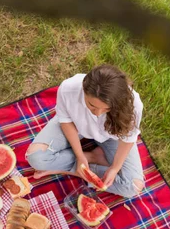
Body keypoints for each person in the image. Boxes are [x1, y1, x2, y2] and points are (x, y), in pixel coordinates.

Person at [26, 64, 145, 198]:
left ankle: (78, 166)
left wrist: (114, 168)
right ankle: (90, 159)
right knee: (35, 157)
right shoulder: (68, 89)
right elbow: (66, 121)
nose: (98, 113)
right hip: (76, 126)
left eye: (106, 109)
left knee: (133, 187)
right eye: (92, 105)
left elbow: (128, 139)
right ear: (83, 90)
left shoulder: (132, 104)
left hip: (112, 137)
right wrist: (80, 156)